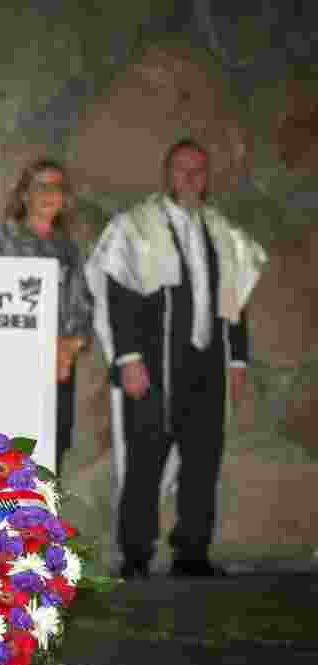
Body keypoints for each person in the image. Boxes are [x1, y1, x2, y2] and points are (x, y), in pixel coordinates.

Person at [84, 139, 264, 579]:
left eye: (199, 169)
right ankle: (136, 554)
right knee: (145, 459)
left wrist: (237, 362)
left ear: (207, 178)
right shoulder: (137, 228)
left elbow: (235, 301)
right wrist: (127, 357)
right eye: (182, 168)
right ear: (167, 174)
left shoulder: (222, 233)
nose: (191, 177)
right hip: (154, 361)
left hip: (206, 365)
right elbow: (118, 294)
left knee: (204, 457)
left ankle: (192, 552)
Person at [0, 159, 93, 472]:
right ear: (23, 195)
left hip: (61, 367)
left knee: (52, 457)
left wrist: (68, 349)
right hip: (16, 366)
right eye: (40, 185)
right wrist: (47, 348)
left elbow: (82, 308)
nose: (49, 193)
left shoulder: (68, 247)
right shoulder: (6, 238)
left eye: (57, 186)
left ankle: (42, 519)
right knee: (15, 460)